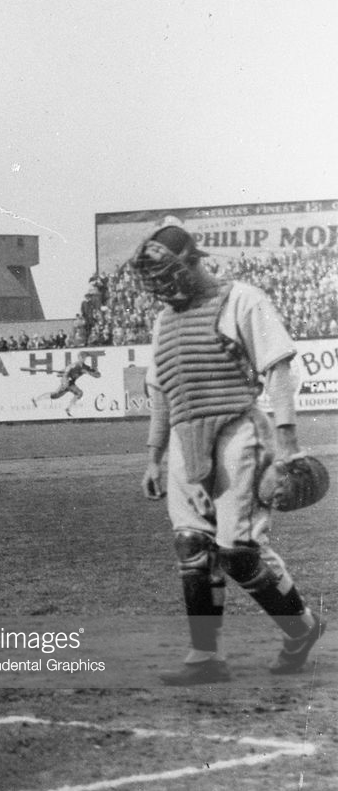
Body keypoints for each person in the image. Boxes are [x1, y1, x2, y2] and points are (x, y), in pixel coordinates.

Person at [131, 222, 325, 685]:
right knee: (191, 546)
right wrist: (153, 455)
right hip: (184, 435)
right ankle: (205, 657)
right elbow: (161, 393)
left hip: (238, 428)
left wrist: (287, 440)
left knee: (237, 551)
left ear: (194, 260)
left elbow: (276, 369)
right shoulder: (165, 321)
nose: (163, 285)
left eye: (169, 271)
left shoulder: (242, 299)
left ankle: (302, 628)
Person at [32, 351, 101, 415]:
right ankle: (68, 408)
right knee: (76, 393)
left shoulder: (85, 367)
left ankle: (37, 400)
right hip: (67, 382)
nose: (84, 358)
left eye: (85, 357)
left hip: (71, 383)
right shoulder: (73, 365)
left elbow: (96, 374)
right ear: (79, 357)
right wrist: (65, 378)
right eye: (83, 357)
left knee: (58, 395)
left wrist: (95, 372)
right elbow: (61, 374)